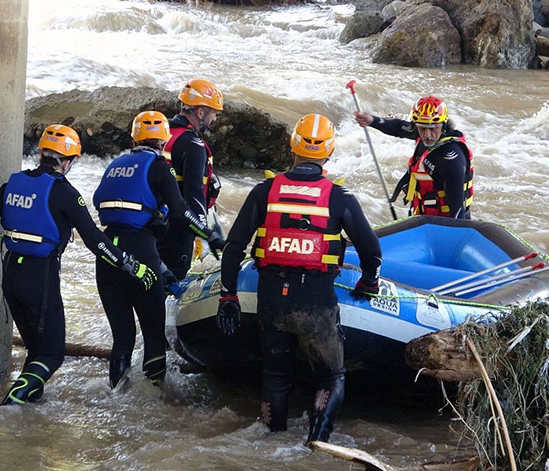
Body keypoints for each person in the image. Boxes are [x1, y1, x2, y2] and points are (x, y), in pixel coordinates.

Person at [217, 113, 383, 444]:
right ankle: (316, 444)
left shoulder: (264, 191)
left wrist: (228, 296)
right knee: (331, 376)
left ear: (292, 147)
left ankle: (268, 439)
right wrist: (368, 283)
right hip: (316, 302)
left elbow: (233, 247)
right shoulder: (340, 197)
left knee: (276, 376)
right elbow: (373, 253)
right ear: (330, 153)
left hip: (272, 300)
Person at [0, 124, 158, 406]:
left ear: (42, 154)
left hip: (11, 275)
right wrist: (130, 265)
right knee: (51, 355)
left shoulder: (12, 183)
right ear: (69, 160)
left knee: (36, 351)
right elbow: (95, 241)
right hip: (40, 279)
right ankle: (8, 406)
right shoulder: (64, 192)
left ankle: (25, 418)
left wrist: (1, 233)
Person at [93, 111, 225, 389]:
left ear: (133, 138)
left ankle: (116, 398)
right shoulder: (159, 166)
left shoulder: (115, 165)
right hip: (142, 252)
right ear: (165, 142)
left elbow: (99, 202)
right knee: (153, 336)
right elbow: (180, 212)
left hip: (107, 256)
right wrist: (209, 235)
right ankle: (155, 402)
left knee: (122, 339)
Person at [354, 96, 474, 219]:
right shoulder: (424, 133)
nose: (427, 135)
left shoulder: (451, 158)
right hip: (424, 218)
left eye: (433, 128)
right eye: (422, 128)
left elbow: (457, 210)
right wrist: (371, 120)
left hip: (445, 222)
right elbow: (398, 127)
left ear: (443, 126)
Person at [157, 78, 225, 280]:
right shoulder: (193, 144)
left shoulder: (162, 134)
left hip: (151, 226)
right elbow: (194, 194)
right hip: (177, 231)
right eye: (212, 113)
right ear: (200, 112)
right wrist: (205, 234)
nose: (213, 119)